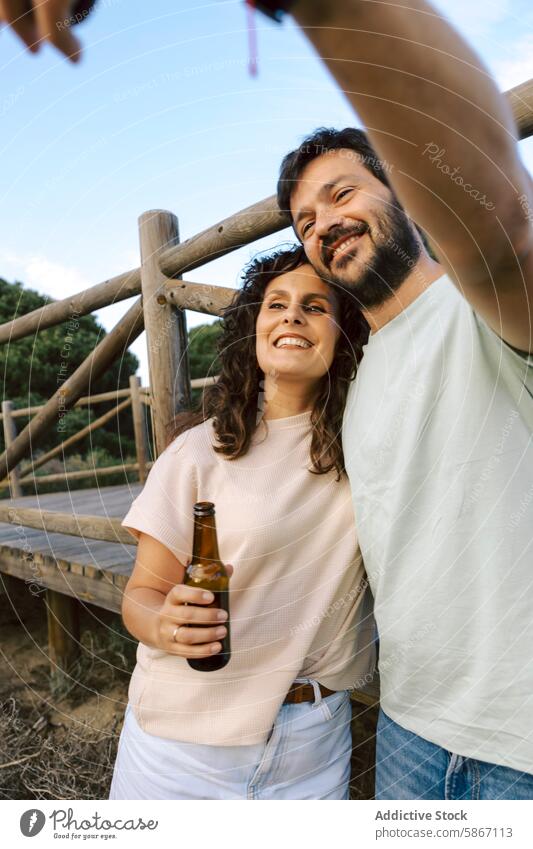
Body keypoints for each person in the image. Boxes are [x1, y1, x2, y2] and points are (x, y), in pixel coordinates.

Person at [269, 0, 533, 801]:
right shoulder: (348, 380)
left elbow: (502, 230)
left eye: (342, 192)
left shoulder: (487, 307)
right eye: (304, 221)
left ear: (401, 188)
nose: (323, 224)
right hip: (408, 725)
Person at [110, 245, 377, 800]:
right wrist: (162, 624)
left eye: (315, 306)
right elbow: (143, 592)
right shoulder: (198, 453)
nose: (292, 315)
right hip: (182, 747)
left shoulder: (373, 439)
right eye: (275, 304)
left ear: (347, 330)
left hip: (313, 740)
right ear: (254, 330)